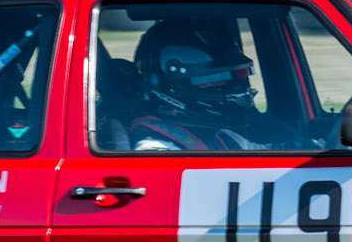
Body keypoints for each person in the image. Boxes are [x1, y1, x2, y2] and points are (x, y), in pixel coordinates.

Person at [124, 15, 296, 151]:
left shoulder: (225, 137)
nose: (226, 85)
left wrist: (320, 145)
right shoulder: (155, 150)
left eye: (231, 77)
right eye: (209, 79)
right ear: (171, 87)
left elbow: (274, 152)